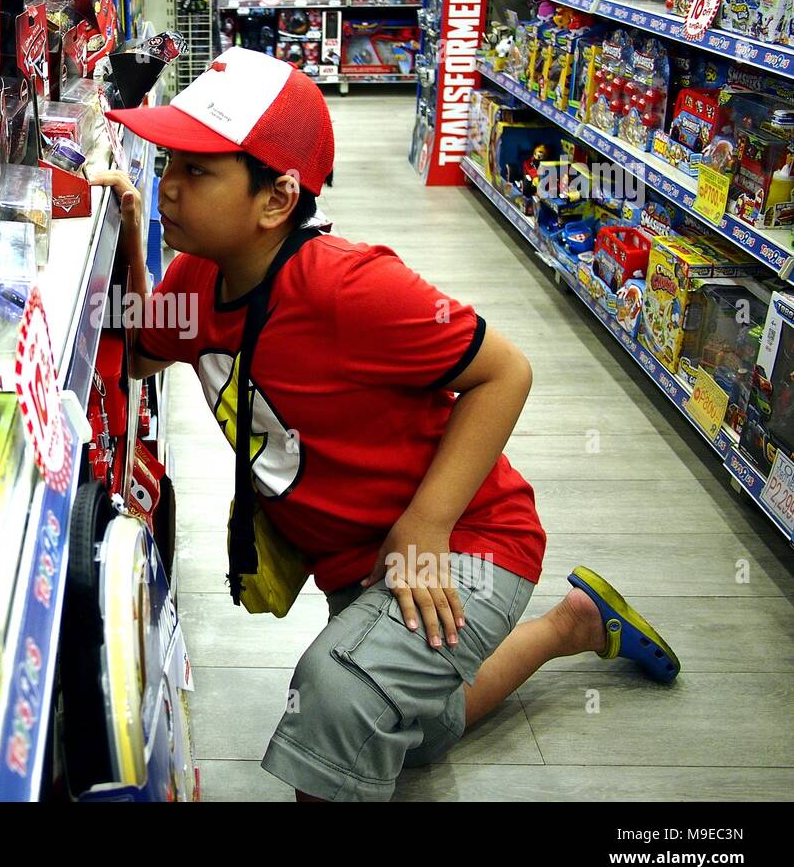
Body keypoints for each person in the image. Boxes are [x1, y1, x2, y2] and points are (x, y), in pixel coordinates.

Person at [92, 47, 681, 803]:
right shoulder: (200, 275)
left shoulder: (347, 285)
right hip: (357, 564)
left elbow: (507, 372)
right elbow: (140, 349)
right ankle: (575, 625)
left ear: (276, 199)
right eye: (168, 162)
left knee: (337, 694)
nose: (168, 186)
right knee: (416, 727)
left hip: (467, 542)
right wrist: (125, 232)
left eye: (196, 171)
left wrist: (427, 526)